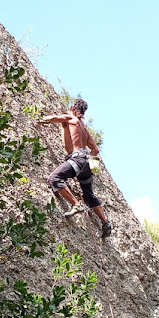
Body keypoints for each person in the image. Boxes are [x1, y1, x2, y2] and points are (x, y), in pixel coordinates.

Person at [38, 98, 112, 239]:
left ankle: (76, 205)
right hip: (87, 161)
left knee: (54, 178)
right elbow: (95, 150)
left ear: (72, 108)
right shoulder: (84, 129)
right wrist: (91, 168)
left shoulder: (70, 117)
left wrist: (41, 119)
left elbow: (54, 118)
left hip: (76, 158)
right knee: (89, 195)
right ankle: (105, 223)